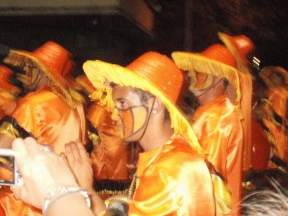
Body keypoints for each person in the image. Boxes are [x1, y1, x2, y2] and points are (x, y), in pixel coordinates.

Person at [11, 51, 216, 215]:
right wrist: (87, 189)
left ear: (155, 105)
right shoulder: (162, 158)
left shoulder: (173, 167)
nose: (115, 115)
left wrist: (60, 193)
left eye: (122, 103)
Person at [0, 41, 87, 215]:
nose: (24, 74)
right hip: (65, 198)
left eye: (30, 68)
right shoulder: (76, 106)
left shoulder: (33, 103)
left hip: (27, 201)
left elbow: (3, 150)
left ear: (42, 71)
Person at [172, 43, 243, 215]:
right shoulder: (210, 112)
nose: (191, 74)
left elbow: (204, 180)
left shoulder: (217, 119)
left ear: (218, 78)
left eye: (200, 70)